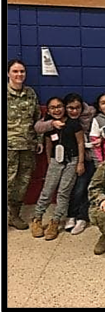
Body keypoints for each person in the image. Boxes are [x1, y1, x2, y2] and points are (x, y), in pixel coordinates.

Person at [34, 93, 96, 235]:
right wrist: (50, 162)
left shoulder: (74, 123)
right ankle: (37, 218)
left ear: (64, 107)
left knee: (64, 192)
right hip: (56, 160)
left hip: (72, 161)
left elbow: (80, 143)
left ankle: (55, 222)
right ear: (48, 111)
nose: (57, 110)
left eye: (59, 106)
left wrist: (80, 163)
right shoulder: (49, 125)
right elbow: (48, 144)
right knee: (47, 191)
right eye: (52, 108)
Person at [7, 59, 43, 230]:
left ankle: (14, 215)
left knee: (22, 183)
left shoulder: (30, 93)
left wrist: (40, 140)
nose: (19, 75)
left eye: (22, 71)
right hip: (9, 147)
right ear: (8, 74)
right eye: (15, 71)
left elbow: (38, 119)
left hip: (28, 146)